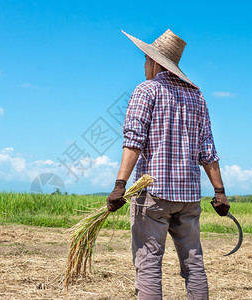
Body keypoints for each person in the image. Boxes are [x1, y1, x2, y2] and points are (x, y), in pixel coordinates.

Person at [106, 29, 230, 300]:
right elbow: (207, 150)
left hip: (155, 197)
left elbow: (133, 141)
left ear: (156, 63)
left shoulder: (146, 90)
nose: (143, 66)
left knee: (148, 264)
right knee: (194, 264)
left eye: (146, 60)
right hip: (188, 198)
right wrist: (219, 192)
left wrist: (120, 185)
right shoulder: (197, 97)